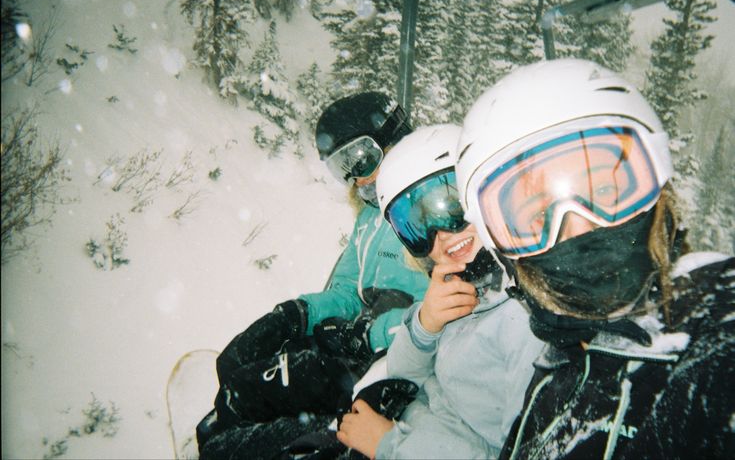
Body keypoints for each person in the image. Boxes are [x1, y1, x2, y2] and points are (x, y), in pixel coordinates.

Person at [453, 58, 734, 459]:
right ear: (502, 249)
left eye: (604, 194)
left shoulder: (711, 322)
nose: (580, 231)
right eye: (537, 217)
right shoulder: (557, 359)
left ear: (658, 189)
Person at [197, 92, 430, 459]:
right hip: (355, 351)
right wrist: (296, 314)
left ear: (395, 140)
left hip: (397, 363)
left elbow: (445, 313)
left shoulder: (432, 211)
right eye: (343, 167)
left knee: (255, 427)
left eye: (360, 158)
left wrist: (369, 334)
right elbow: (348, 291)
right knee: (236, 373)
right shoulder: (371, 217)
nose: (355, 177)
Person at [337, 124, 545, 459]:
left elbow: (522, 452)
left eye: (452, 208)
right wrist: (425, 324)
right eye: (417, 226)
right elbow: (404, 375)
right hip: (406, 429)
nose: (442, 235)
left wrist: (392, 445)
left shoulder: (528, 322)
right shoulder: (462, 287)